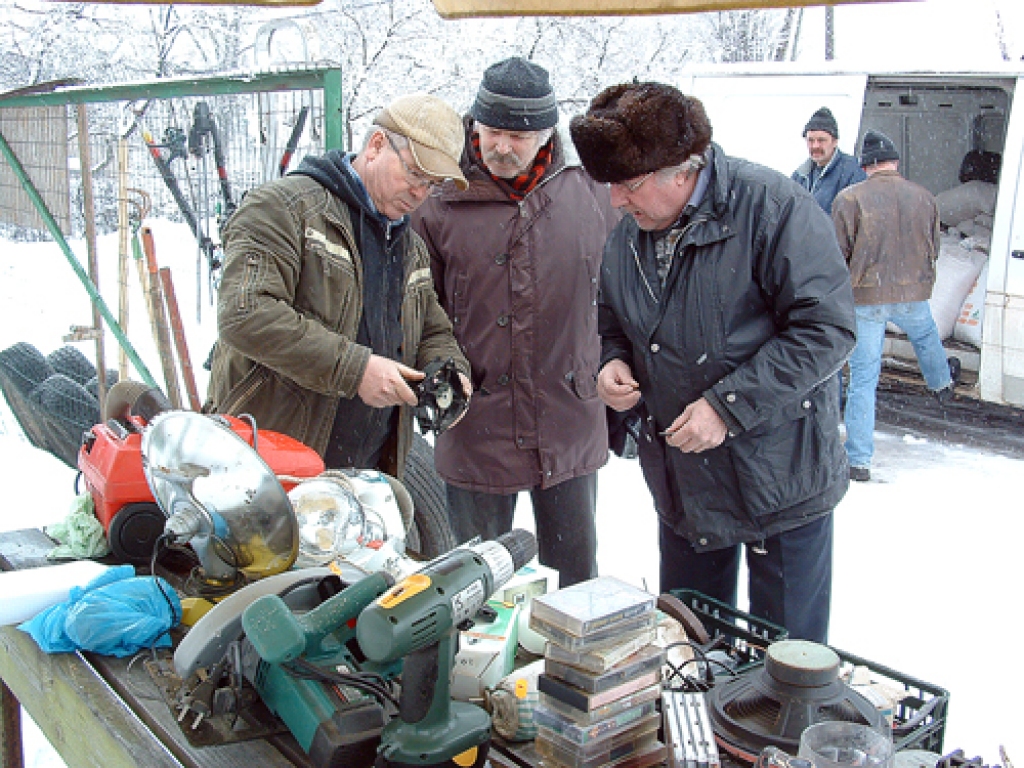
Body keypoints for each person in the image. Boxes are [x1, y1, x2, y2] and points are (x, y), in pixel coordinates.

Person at [569, 82, 856, 642]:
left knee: (786, 666)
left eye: (627, 186)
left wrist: (727, 408)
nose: (615, 202)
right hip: (687, 484)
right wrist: (611, 362)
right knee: (692, 649)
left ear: (682, 169)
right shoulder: (628, 234)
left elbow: (828, 329)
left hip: (781, 481)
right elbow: (612, 322)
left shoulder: (773, 208)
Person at [411, 57, 618, 587]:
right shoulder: (437, 198)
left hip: (569, 415)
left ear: (546, 134)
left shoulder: (593, 191)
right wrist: (434, 372)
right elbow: (416, 309)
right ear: (473, 126)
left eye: (519, 136)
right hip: (476, 423)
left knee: (576, 588)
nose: (502, 147)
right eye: (492, 131)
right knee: (472, 588)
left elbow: (624, 294)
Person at [204, 93, 471, 483]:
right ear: (377, 145)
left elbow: (431, 329)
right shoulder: (283, 208)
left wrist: (448, 371)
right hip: (269, 460)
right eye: (415, 173)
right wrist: (355, 369)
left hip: (365, 469)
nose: (420, 193)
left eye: (432, 184)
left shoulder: (408, 245)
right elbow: (245, 312)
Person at [832, 129, 955, 483]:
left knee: (864, 380)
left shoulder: (849, 199)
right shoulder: (925, 196)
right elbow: (935, 245)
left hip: (867, 297)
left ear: (865, 164)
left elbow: (838, 254)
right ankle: (941, 383)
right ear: (896, 163)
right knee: (926, 334)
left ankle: (859, 460)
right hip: (912, 292)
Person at [791, 106, 866, 214]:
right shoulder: (800, 176)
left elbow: (855, 216)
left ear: (835, 141)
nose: (815, 146)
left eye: (821, 140)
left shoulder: (852, 172)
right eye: (810, 140)